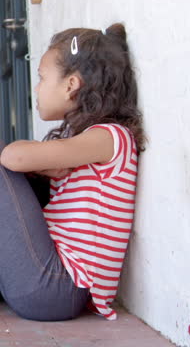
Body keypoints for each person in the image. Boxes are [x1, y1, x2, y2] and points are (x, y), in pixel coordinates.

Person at [0, 23, 144, 321]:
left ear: (71, 84)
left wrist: (40, 164)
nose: (37, 88)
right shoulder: (93, 141)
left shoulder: (110, 137)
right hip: (47, 286)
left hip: (55, 289)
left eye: (42, 78)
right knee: (31, 179)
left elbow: (13, 156)